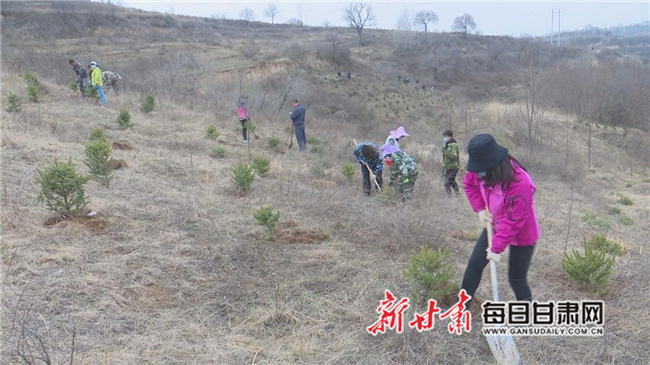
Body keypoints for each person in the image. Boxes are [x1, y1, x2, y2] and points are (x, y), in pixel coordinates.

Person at [460, 134, 540, 310]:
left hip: (522, 232)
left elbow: (514, 222)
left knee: (516, 278)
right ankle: (461, 307)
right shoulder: (481, 172)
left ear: (493, 165)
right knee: (475, 264)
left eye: (481, 169)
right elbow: (469, 185)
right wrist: (480, 209)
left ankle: (524, 314)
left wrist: (496, 247)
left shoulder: (520, 182)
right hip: (495, 224)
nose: (477, 173)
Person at [442, 130, 461, 197]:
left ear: (449, 136)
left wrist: (445, 152)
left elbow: (454, 156)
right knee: (450, 180)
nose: (444, 138)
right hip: (449, 166)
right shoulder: (448, 144)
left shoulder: (454, 145)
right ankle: (457, 194)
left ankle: (450, 196)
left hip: (453, 166)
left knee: (448, 181)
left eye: (445, 136)